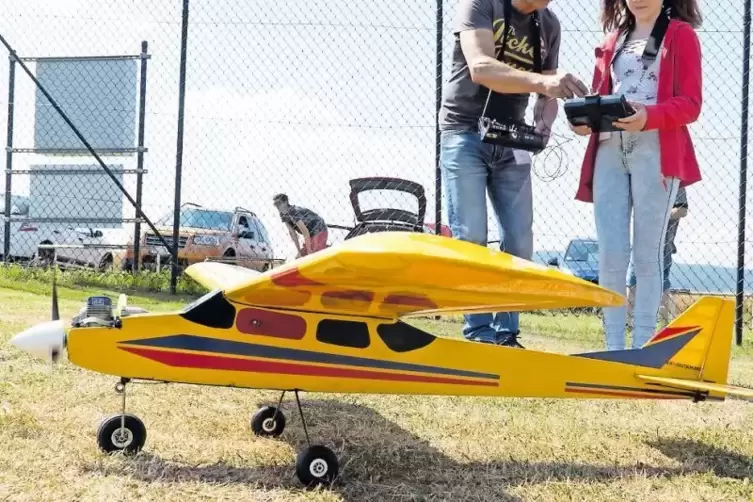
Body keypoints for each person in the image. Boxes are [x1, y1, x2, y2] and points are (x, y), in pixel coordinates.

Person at [439, 0, 589, 348]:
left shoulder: (548, 24)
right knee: (472, 235)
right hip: (465, 132)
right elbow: (480, 67)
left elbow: (548, 90)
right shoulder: (480, 5)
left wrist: (544, 123)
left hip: (512, 139)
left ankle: (507, 334)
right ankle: (478, 332)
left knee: (520, 240)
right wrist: (543, 83)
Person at [570, 0, 703, 350]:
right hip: (609, 150)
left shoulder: (681, 35)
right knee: (611, 253)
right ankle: (614, 347)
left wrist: (650, 116)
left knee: (648, 254)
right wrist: (584, 121)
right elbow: (601, 97)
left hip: (656, 150)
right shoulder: (613, 39)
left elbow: (691, 104)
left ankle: (643, 347)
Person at [626, 186, 688, 328]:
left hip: (662, 244)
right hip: (640, 240)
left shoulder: (676, 184)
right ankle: (627, 322)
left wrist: (660, 215)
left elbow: (682, 210)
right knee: (632, 281)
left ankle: (665, 325)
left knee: (662, 284)